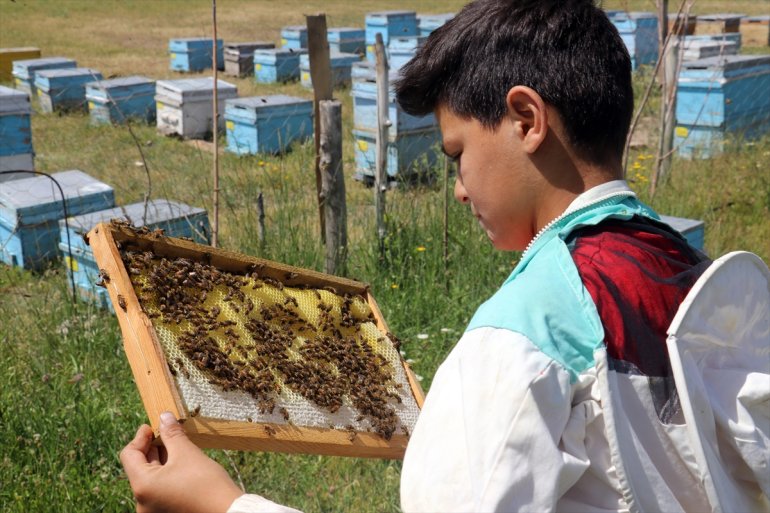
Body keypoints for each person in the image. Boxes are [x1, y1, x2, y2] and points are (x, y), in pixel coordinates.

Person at [120, 1, 770, 512]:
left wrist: (224, 504)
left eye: (458, 152)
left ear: (525, 118)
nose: (458, 186)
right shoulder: (685, 265)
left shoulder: (521, 332)